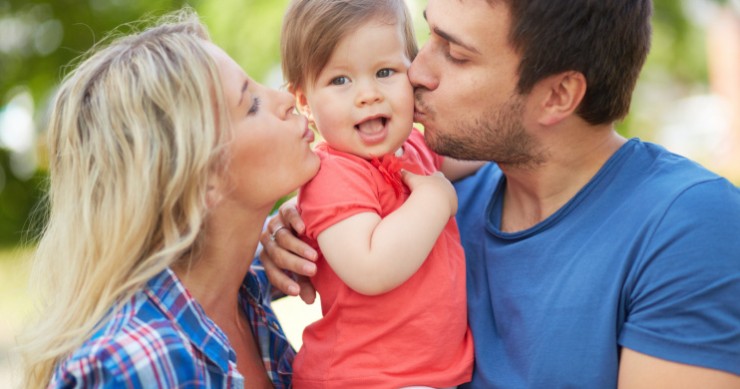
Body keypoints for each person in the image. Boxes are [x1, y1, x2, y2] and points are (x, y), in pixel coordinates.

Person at [260, 0, 740, 387]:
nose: (416, 71)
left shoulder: (686, 226)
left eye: (455, 53)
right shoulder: (425, 198)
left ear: (557, 96)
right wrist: (290, 228)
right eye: (429, 35)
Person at [18, 9, 319, 389]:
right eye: (252, 104)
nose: (285, 98)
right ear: (201, 177)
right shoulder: (130, 367)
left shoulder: (244, 288)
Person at [277, 0, 476, 387]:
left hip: (424, 375)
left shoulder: (414, 149)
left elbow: (480, 155)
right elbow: (370, 268)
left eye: (385, 72)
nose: (367, 94)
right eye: (340, 80)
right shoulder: (331, 176)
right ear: (305, 102)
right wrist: (435, 198)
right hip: (363, 377)